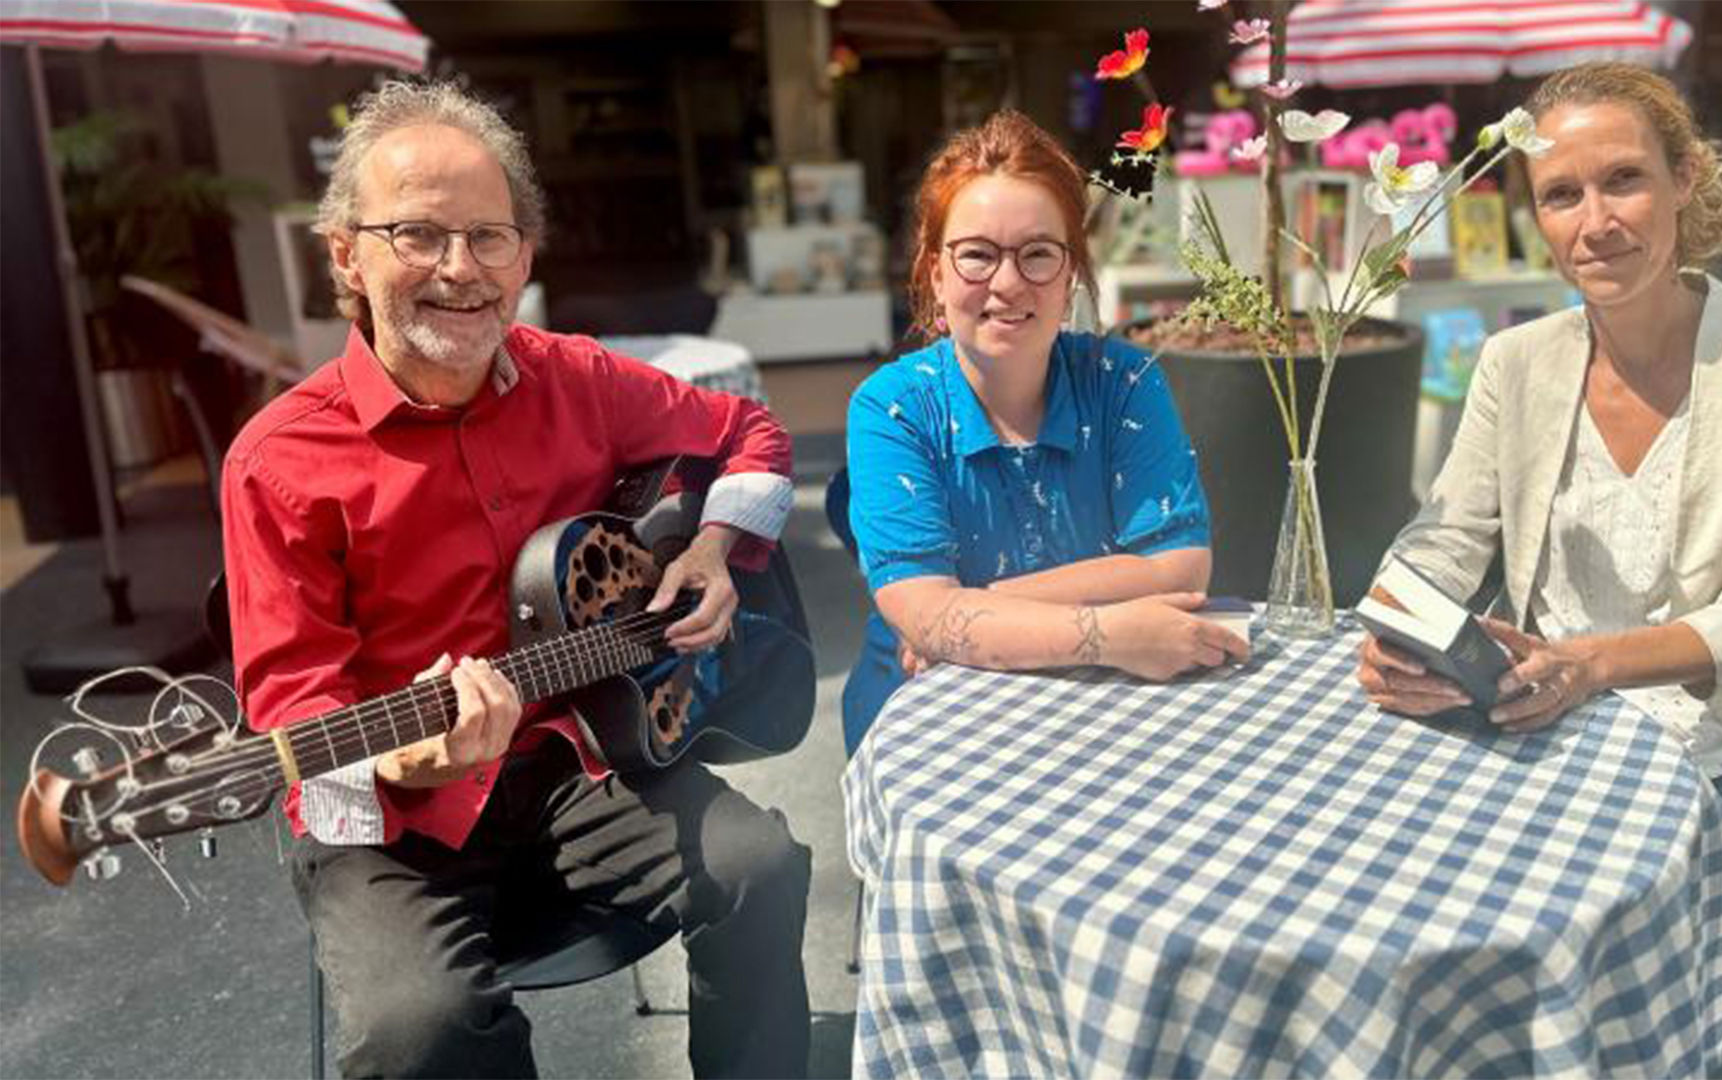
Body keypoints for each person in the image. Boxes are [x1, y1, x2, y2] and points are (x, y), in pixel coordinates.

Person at [221, 81, 809, 1078]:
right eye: (418, 235)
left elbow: (751, 433)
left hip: (569, 762)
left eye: (490, 237)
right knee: (427, 1029)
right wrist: (414, 761)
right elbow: (298, 719)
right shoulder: (277, 461)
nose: (460, 269)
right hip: (385, 825)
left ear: (526, 257)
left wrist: (713, 551)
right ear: (345, 256)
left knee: (762, 866)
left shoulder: (577, 377)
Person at [1355, 62, 1722, 959]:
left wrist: (1590, 664)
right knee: (1382, 903)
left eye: (1624, 180)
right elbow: (1444, 537)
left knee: (1564, 950)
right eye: (1562, 194)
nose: (1595, 223)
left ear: (1684, 179)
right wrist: (1401, 625)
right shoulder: (1514, 362)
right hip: (1552, 740)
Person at [841, 110, 1247, 753]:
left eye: (1037, 254)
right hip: (933, 711)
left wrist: (973, 607)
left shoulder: (1125, 382)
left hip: (1106, 701)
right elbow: (920, 613)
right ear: (935, 273)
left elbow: (1179, 567)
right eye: (976, 255)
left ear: (1071, 275)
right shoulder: (891, 409)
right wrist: (1110, 632)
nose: (1007, 283)